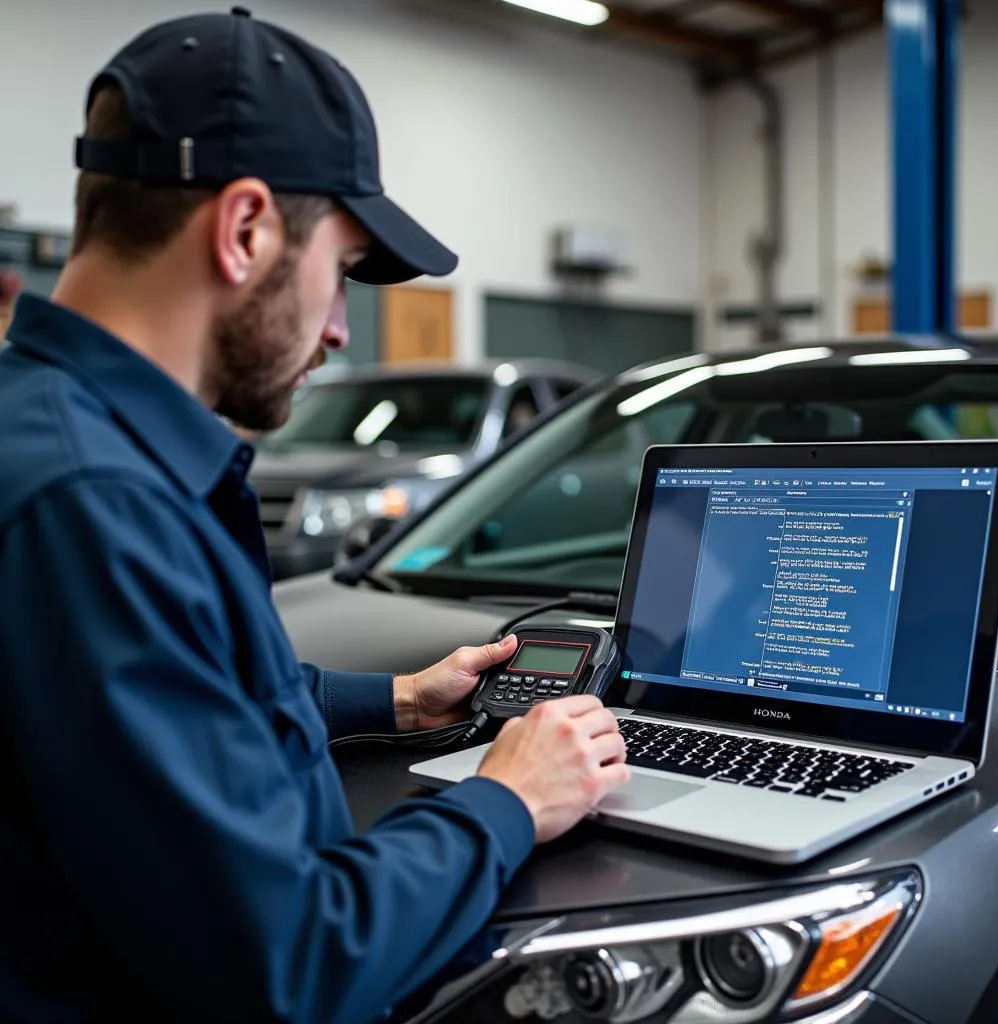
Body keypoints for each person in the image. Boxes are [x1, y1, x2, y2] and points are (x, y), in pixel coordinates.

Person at [0, 9, 628, 1023]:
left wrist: (392, 699)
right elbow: (289, 965)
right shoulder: (96, 505)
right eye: (339, 270)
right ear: (243, 229)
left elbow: (181, 690)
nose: (340, 327)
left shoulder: (53, 436)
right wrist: (508, 799)